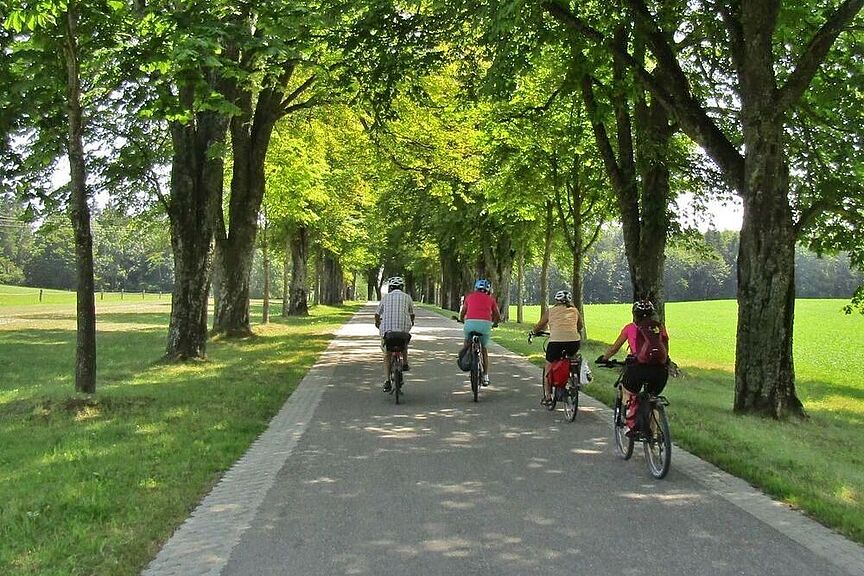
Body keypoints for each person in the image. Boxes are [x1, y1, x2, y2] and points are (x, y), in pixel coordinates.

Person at [596, 299, 670, 434]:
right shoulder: (660, 327)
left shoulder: (630, 328)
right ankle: (653, 438)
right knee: (653, 398)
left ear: (635, 314)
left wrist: (604, 358)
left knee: (628, 391)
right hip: (661, 370)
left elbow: (614, 349)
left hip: (639, 369)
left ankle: (629, 425)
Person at [531, 289, 584, 406]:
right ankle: (575, 376)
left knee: (548, 367)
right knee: (572, 358)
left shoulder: (551, 311)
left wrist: (533, 332)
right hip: (573, 342)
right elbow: (580, 326)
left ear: (557, 300)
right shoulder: (575, 311)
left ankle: (548, 397)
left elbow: (540, 325)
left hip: (556, 343)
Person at [374, 276, 415, 393]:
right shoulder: (407, 297)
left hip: (388, 333)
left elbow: (377, 314)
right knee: (404, 342)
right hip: (402, 332)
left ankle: (387, 381)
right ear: (402, 287)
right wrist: (411, 322)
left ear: (390, 288)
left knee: (387, 353)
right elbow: (412, 314)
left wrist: (378, 323)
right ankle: (405, 363)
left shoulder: (385, 298)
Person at [458, 279, 501, 386]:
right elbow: (497, 315)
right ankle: (485, 376)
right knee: (484, 350)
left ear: (476, 288)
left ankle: (465, 356)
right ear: (488, 290)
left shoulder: (469, 297)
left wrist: (462, 319)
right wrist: (495, 323)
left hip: (470, 324)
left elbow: (463, 312)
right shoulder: (491, 299)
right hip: (485, 325)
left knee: (467, 341)